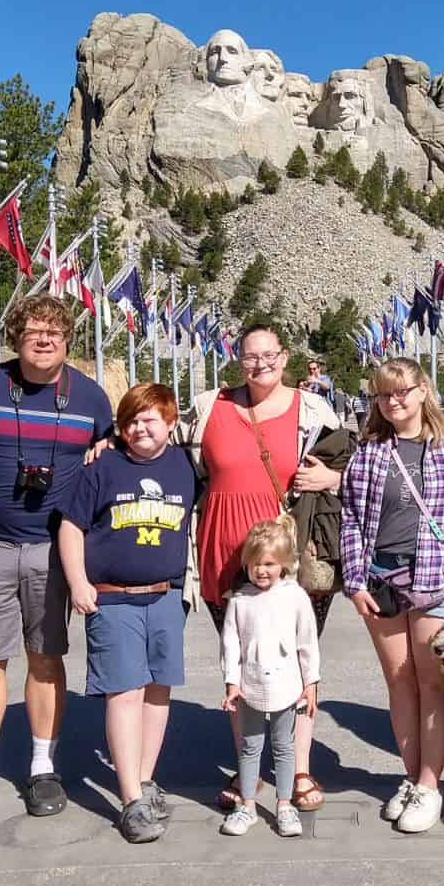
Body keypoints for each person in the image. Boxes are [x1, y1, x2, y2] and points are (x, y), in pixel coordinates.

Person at [0, 296, 114, 831]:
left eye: (54, 331)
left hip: (55, 551)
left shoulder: (91, 397)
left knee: (46, 658)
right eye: (33, 330)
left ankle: (42, 767)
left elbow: (114, 463)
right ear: (16, 335)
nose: (44, 339)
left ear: (68, 339)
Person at [177, 322, 341, 812]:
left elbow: (353, 463)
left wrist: (334, 474)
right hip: (223, 556)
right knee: (241, 661)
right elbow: (163, 451)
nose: (260, 364)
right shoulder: (209, 407)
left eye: (269, 355)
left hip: (294, 559)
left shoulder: (313, 409)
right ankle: (249, 762)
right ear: (237, 358)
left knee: (299, 659)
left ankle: (301, 765)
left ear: (285, 357)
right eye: (250, 356)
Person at [341, 357, 444, 833]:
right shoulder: (369, 450)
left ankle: (429, 785)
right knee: (399, 682)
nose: (395, 401)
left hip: (435, 577)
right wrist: (354, 579)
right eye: (385, 394)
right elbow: (351, 516)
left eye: (403, 391)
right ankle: (410, 778)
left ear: (423, 391)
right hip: (381, 576)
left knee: (432, 683)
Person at [57, 383, 195, 844]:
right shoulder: (102, 468)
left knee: (158, 690)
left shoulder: (184, 465)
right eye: (130, 420)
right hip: (113, 597)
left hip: (165, 596)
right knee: (124, 692)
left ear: (170, 423)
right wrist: (78, 581)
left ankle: (146, 779)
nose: (139, 427)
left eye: (149, 419)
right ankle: (131, 798)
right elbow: (71, 526)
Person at [219, 515, 319, 837]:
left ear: (285, 563)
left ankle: (285, 805)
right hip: (249, 687)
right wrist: (232, 682)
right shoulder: (240, 601)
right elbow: (231, 644)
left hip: (287, 688)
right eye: (255, 564)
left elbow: (307, 644)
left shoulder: (296, 598)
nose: (262, 570)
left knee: (284, 746)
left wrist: (310, 685)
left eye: (270, 564)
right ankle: (247, 806)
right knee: (249, 747)